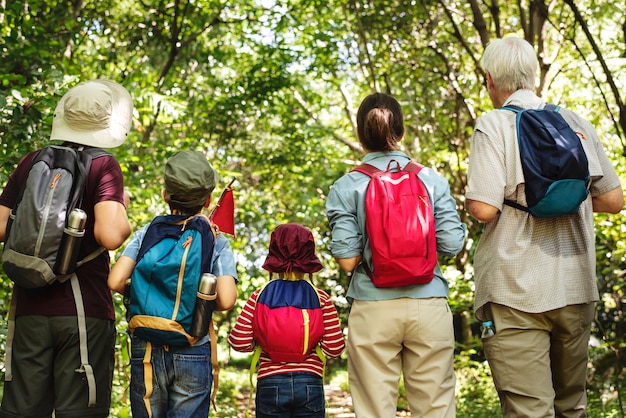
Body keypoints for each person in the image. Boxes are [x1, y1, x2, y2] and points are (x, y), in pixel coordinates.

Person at [465, 35, 624, 417]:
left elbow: (484, 209)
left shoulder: (494, 125)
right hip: (574, 284)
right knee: (572, 406)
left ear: (490, 79)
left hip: (515, 292)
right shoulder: (575, 122)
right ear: (533, 75)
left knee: (529, 409)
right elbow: (613, 200)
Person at [325, 92, 466, 418]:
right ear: (400, 132)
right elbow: (452, 244)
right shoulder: (430, 179)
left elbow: (347, 260)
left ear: (360, 135)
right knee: (436, 409)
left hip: (373, 307)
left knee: (375, 410)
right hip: (428, 303)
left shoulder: (346, 187)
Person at [0, 79, 133, 417]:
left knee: (23, 410)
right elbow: (111, 236)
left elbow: (0, 226)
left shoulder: (32, 161)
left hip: (29, 307)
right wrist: (122, 210)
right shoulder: (103, 165)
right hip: (82, 310)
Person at [108, 150, 238, 418]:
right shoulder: (215, 240)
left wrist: (148, 294)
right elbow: (226, 300)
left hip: (146, 346)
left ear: (165, 194)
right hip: (193, 343)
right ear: (209, 199)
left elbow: (115, 280)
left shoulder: (148, 232)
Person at [228, 222, 346, 418]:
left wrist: (263, 342)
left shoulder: (259, 296)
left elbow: (239, 342)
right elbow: (334, 348)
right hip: (310, 382)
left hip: (270, 382)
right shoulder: (321, 298)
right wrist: (311, 349)